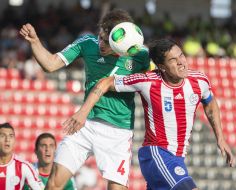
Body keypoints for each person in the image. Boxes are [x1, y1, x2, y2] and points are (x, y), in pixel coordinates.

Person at [63, 38, 235, 190]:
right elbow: (106, 82)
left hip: (178, 158)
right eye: (173, 60)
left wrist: (220, 137)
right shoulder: (148, 81)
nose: (181, 62)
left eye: (181, 55)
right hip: (156, 154)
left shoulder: (199, 80)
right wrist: (83, 112)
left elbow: (210, 103)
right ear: (161, 66)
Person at [20, 9, 150, 190]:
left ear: (122, 42)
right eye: (101, 37)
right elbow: (50, 64)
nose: (101, 43)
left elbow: (151, 82)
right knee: (54, 183)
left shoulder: (140, 55)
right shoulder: (87, 43)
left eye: (107, 41)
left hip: (118, 132)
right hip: (86, 124)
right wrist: (35, 42)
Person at [0, 122, 44, 190]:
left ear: (14, 140)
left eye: (11, 136)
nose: (7, 140)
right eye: (2, 136)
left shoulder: (24, 166)